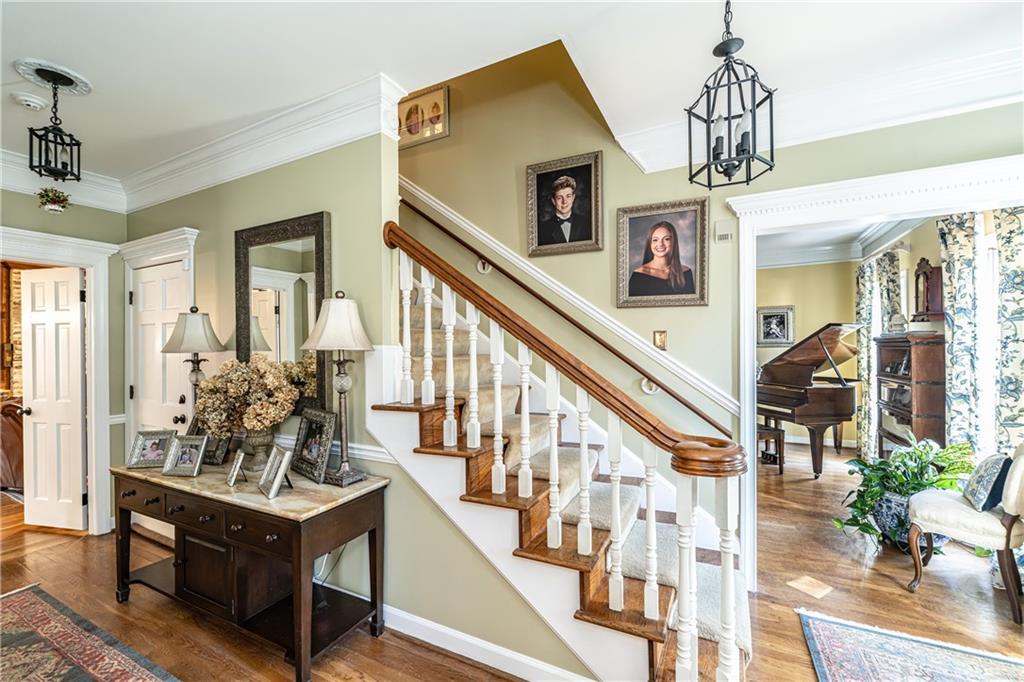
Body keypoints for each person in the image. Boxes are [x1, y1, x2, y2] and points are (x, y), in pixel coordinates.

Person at [627, 221, 695, 296]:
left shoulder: (686, 272)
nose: (660, 244)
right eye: (655, 240)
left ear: (673, 242)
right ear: (650, 243)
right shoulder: (638, 275)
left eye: (666, 239)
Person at [537, 175, 591, 245]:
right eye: (559, 198)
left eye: (568, 196)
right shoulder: (543, 229)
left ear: (573, 198)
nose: (564, 201)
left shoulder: (586, 223)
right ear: (553, 201)